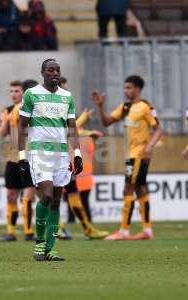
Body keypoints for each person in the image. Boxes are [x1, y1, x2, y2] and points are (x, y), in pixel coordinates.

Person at [18, 59, 83, 261]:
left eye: (57, 70)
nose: (54, 73)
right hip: (39, 153)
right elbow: (21, 126)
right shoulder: (31, 94)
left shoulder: (67, 97)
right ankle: (39, 242)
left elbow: (72, 127)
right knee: (45, 196)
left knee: (56, 200)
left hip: (61, 154)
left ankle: (51, 249)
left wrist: (77, 153)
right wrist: (21, 155)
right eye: (50, 70)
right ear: (43, 73)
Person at [91, 75, 163, 240]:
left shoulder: (145, 107)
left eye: (129, 87)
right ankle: (147, 230)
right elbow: (107, 122)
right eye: (125, 88)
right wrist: (101, 107)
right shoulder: (125, 107)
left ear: (137, 89)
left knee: (128, 189)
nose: (126, 91)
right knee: (140, 188)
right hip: (132, 153)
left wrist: (149, 147)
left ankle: (123, 231)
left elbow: (159, 130)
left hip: (139, 154)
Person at [58, 77, 109, 240]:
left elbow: (72, 130)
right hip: (51, 156)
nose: (66, 92)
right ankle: (56, 227)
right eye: (63, 88)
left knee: (72, 192)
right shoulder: (50, 108)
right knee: (50, 194)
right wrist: (86, 126)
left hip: (65, 158)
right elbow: (65, 131)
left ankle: (87, 228)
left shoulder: (65, 106)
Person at [0, 80, 35, 242]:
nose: (14, 94)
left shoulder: (31, 109)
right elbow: (2, 134)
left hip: (28, 157)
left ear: (23, 93)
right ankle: (11, 232)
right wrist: (7, 118)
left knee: (28, 196)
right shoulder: (7, 111)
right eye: (11, 91)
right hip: (12, 159)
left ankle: (29, 231)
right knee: (11, 195)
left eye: (17, 91)